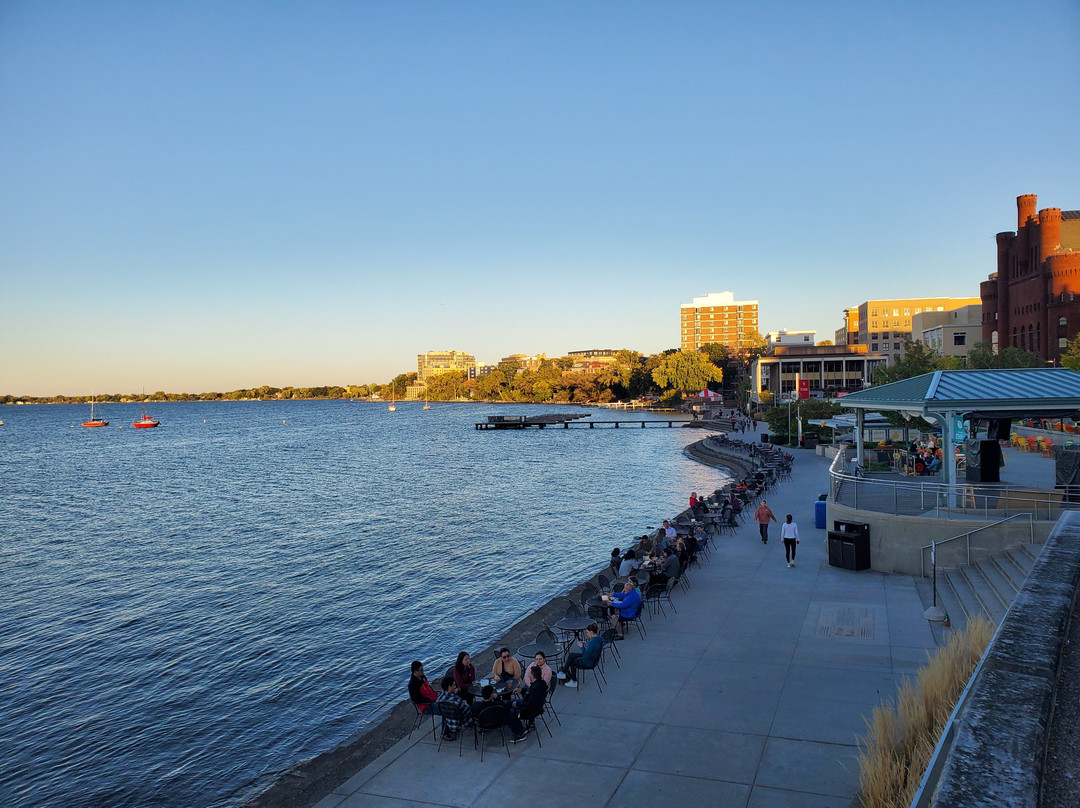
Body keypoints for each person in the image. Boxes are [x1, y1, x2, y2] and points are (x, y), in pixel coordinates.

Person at [508, 666, 548, 742]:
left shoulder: (536, 688)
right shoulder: (541, 683)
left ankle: (520, 733)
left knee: (510, 713)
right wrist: (521, 690)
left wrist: (517, 704)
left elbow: (530, 705)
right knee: (509, 703)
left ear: (532, 676)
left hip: (529, 710)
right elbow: (530, 692)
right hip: (535, 706)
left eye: (529, 673)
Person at [557, 622, 602, 687]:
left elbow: (585, 656)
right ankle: (563, 672)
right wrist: (587, 644)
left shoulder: (592, 642)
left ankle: (573, 681)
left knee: (572, 661)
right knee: (571, 655)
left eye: (587, 632)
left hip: (589, 661)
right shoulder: (598, 638)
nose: (587, 634)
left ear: (591, 632)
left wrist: (582, 647)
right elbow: (593, 648)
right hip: (593, 659)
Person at [436, 675, 475, 741]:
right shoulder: (456, 699)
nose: (455, 686)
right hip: (460, 720)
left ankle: (445, 732)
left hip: (448, 720)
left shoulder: (439, 699)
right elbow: (467, 711)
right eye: (454, 685)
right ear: (449, 687)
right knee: (475, 708)